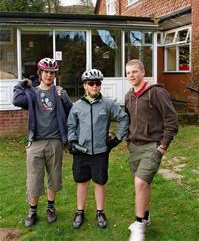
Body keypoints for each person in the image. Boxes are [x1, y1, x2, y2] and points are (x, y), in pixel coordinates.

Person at [13, 58, 72, 227]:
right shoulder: (32, 93)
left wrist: (65, 98)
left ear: (55, 75)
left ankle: (51, 208)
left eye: (52, 73)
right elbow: (16, 100)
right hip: (36, 143)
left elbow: (71, 112)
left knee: (54, 177)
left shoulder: (59, 92)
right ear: (40, 74)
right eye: (46, 72)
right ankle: (32, 210)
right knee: (34, 178)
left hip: (55, 142)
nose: (49, 75)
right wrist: (22, 84)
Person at [67, 69, 129, 229]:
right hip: (81, 152)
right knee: (82, 182)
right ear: (85, 86)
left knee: (100, 183)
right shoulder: (77, 106)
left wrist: (117, 138)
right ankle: (79, 211)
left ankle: (100, 212)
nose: (95, 86)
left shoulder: (107, 104)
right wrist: (72, 140)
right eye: (91, 83)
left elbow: (123, 118)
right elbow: (71, 126)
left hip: (101, 152)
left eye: (98, 83)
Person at [124, 59, 179, 241]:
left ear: (143, 72)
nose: (131, 75)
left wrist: (163, 146)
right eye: (128, 73)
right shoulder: (129, 96)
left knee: (140, 183)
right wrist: (127, 140)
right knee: (143, 185)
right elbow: (128, 120)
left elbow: (171, 120)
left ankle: (139, 226)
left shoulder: (156, 93)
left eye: (134, 72)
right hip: (134, 147)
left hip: (152, 147)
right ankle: (145, 218)